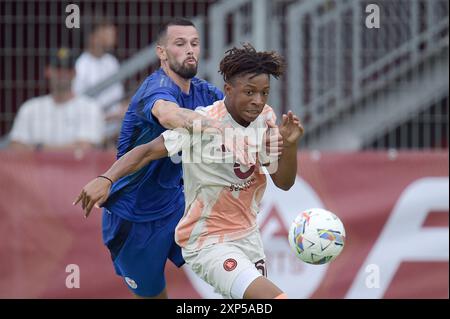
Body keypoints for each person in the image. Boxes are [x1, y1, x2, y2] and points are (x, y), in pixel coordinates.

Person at [74, 44, 304, 299]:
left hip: (249, 238)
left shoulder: (266, 120)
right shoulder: (202, 123)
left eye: (264, 93)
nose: (258, 101)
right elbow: (148, 151)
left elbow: (283, 182)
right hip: (209, 241)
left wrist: (290, 145)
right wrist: (107, 178)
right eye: (249, 92)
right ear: (228, 89)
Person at [74, 18, 225, 299]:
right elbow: (169, 115)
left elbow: (237, 115)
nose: (189, 50)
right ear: (162, 52)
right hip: (133, 218)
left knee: (233, 267)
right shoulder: (155, 89)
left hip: (179, 206)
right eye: (179, 44)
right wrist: (214, 126)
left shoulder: (206, 93)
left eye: (194, 43)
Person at [9, 47, 104, 151]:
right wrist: (69, 148)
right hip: (36, 167)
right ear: (48, 71)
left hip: (74, 167)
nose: (63, 73)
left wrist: (39, 148)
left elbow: (85, 149)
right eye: (58, 69)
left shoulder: (90, 107)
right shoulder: (30, 107)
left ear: (74, 73)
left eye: (67, 69)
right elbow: (16, 148)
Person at [72, 17, 126, 147]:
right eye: (106, 29)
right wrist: (112, 117)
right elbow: (77, 109)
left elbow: (118, 98)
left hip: (117, 133)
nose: (113, 33)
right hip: (92, 136)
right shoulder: (81, 66)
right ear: (93, 37)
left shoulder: (111, 62)